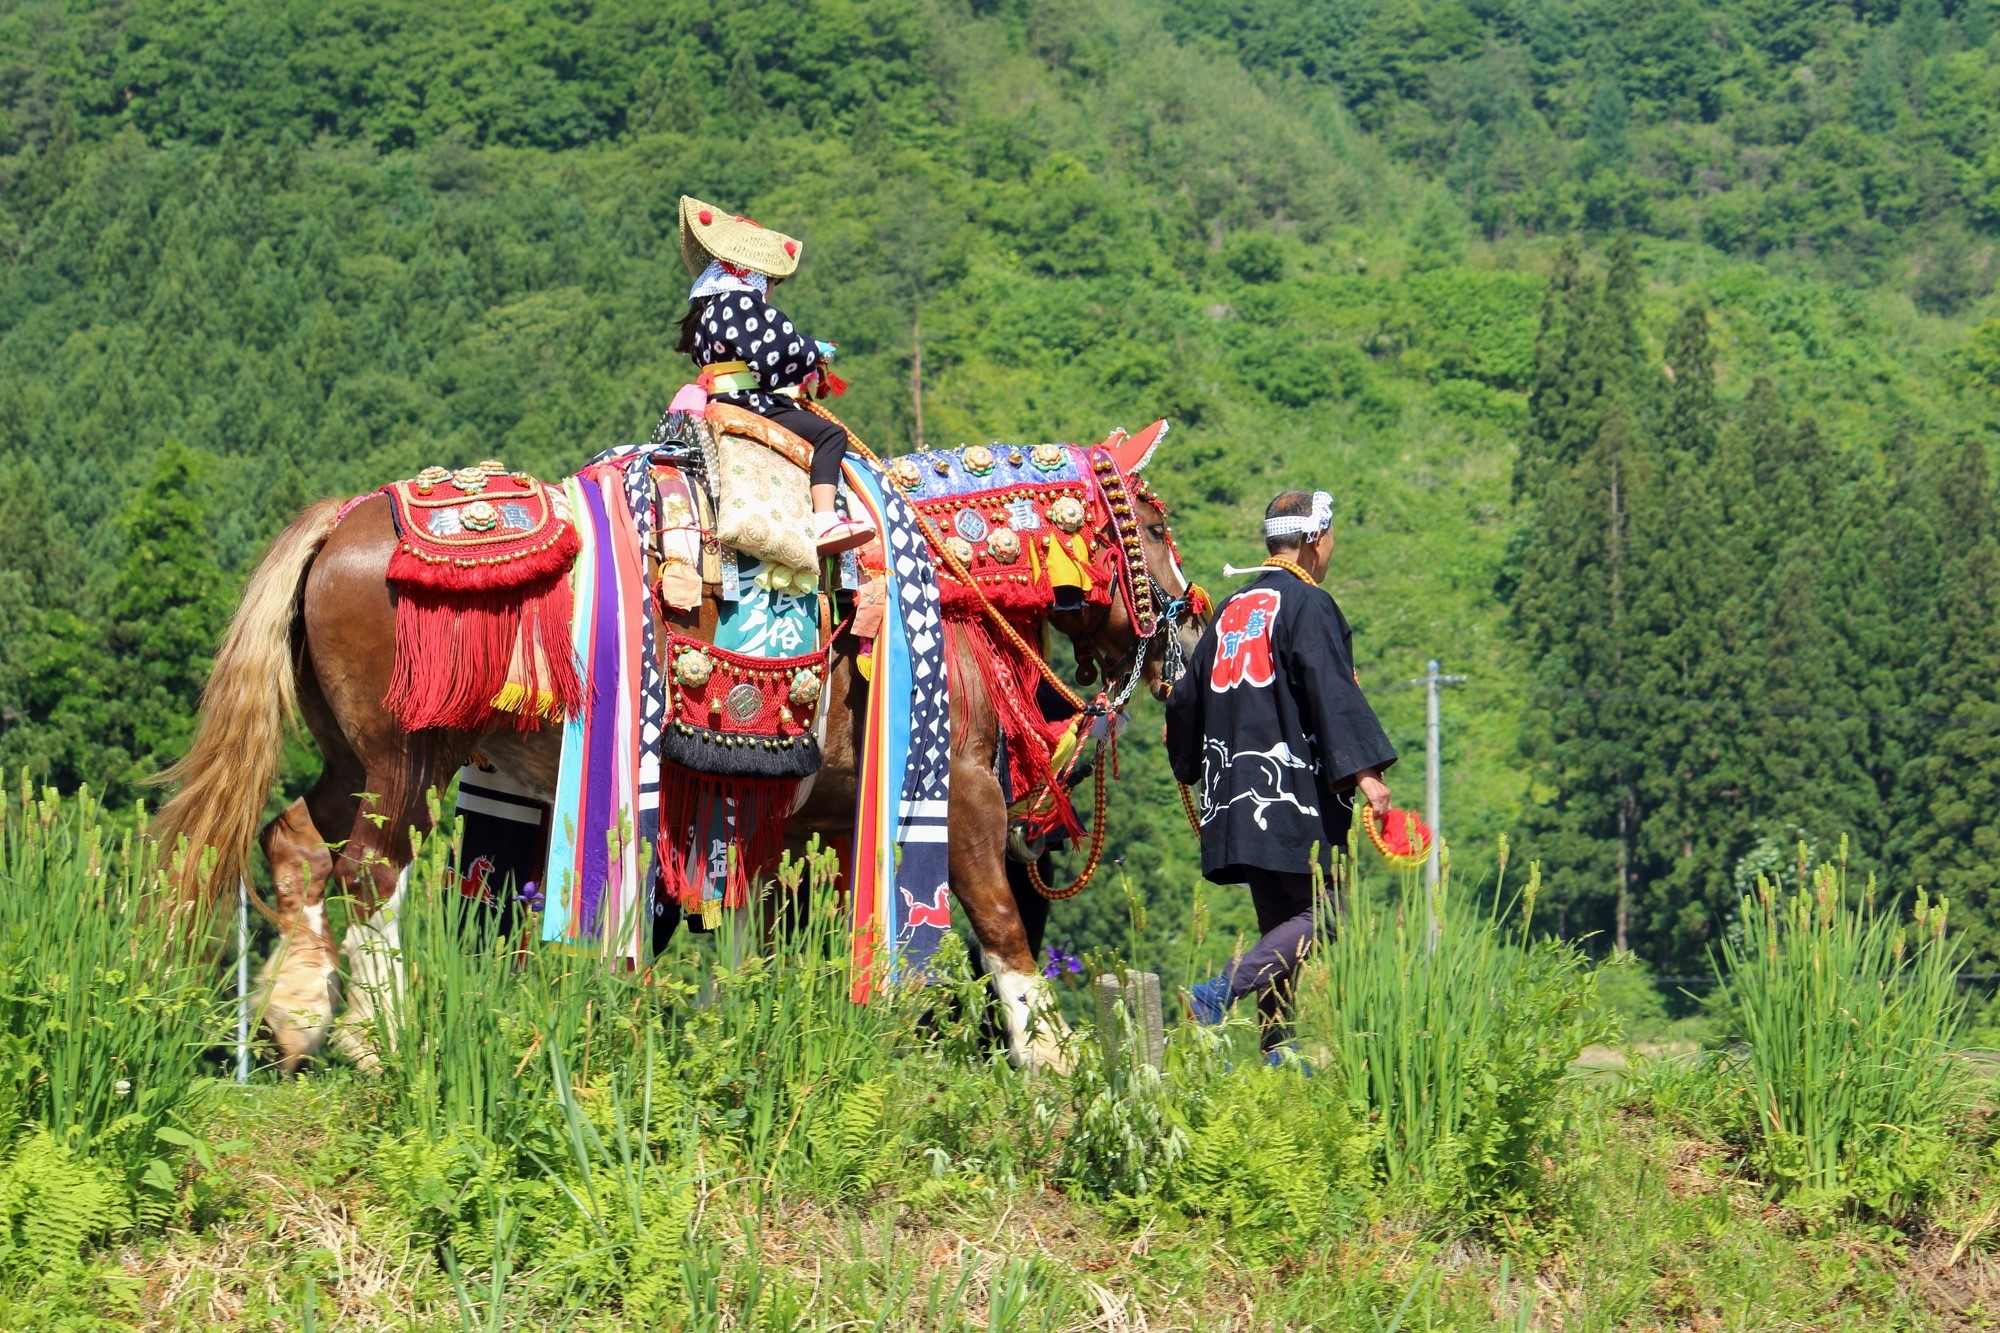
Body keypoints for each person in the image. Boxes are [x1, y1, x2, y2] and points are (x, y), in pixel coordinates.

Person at [1163, 488, 1398, 1058]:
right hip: (1289, 794)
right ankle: (1218, 991)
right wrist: (1366, 775)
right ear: (1316, 540)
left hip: (1233, 795)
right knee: (1330, 913)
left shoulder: (1231, 609)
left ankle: (1278, 1054)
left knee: (1283, 929)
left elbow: (1183, 700)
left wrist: (1193, 767)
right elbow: (1329, 690)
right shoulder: (1307, 604)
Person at [675, 195, 874, 555]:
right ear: (754, 275)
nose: (770, 291)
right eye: (771, 282)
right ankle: (826, 518)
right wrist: (814, 351)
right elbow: (778, 351)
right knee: (830, 436)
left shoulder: (706, 312)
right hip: (748, 401)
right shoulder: (742, 304)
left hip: (721, 397)